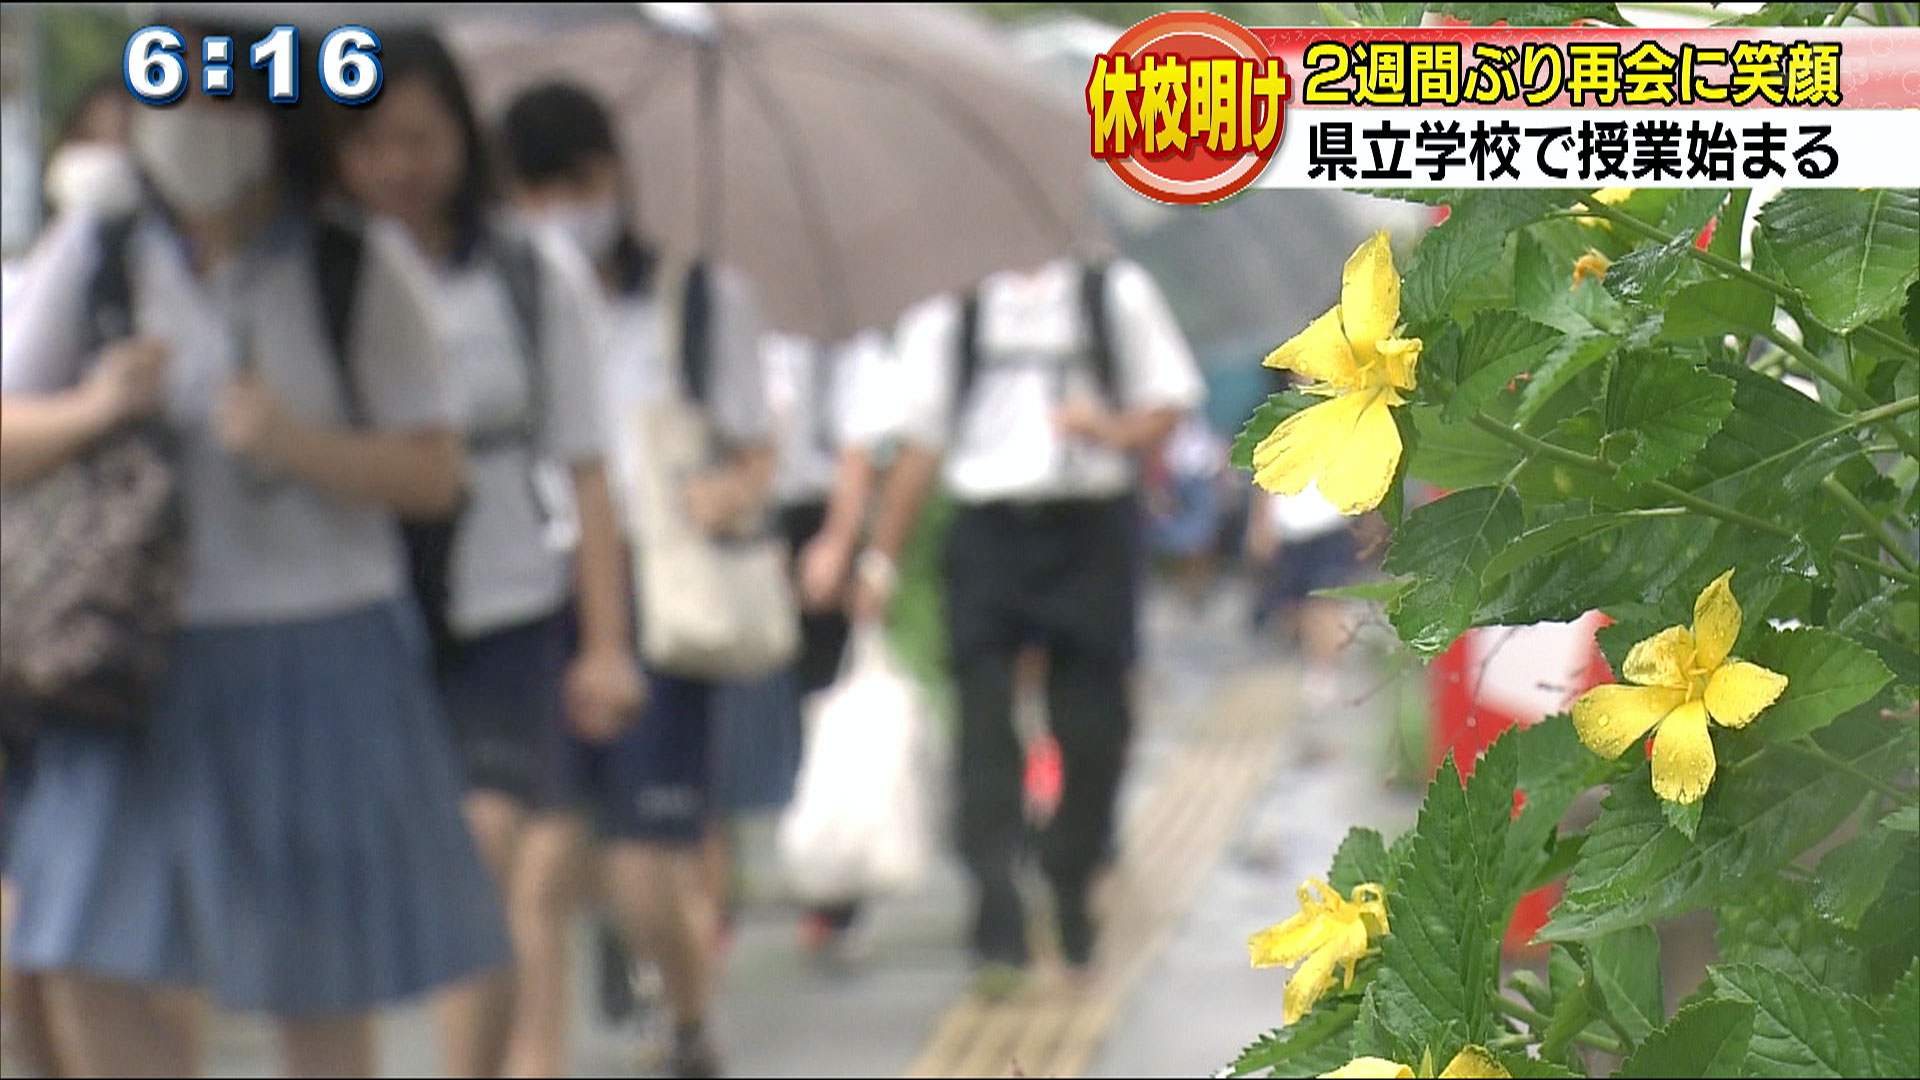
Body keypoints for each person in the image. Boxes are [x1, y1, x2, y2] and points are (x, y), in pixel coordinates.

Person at [0, 21, 507, 1078]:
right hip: (128, 660)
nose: (195, 130)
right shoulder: (98, 252)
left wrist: (296, 445)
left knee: (318, 967)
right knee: (92, 945)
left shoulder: (350, 265)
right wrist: (96, 409)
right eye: (170, 99)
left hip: (319, 650)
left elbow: (435, 470)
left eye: (221, 102)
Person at [327, 32, 643, 1079]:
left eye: (420, 138)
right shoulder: (313, 264)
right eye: (371, 141)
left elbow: (588, 466)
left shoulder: (524, 272)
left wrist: (605, 645)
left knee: (486, 853)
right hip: (352, 599)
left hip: (502, 600)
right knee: (356, 885)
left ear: (465, 138)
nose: (397, 166)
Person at [502, 81, 776, 1079]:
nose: (558, 209)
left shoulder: (702, 302)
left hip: (662, 603)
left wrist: (728, 492)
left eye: (572, 183)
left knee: (640, 869)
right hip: (543, 596)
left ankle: (691, 1019)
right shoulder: (512, 299)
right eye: (534, 190)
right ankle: (535, 1060)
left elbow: (757, 448)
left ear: (614, 177)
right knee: (538, 871)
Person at [846, 254, 1204, 994]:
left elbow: (1169, 405)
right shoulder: (951, 309)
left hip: (1089, 530)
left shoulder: (1114, 293)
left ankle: (1070, 883)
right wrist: (880, 563)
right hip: (988, 532)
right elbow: (920, 446)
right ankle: (995, 907)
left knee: (1094, 726)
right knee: (981, 729)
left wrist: (1106, 428)